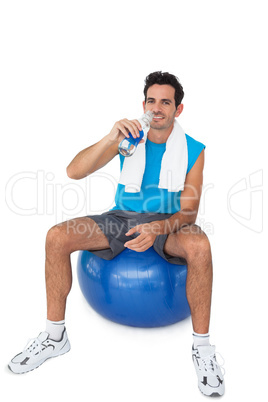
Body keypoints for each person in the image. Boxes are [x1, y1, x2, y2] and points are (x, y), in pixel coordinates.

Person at [8, 71, 225, 397]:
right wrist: (111, 137)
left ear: (178, 109)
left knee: (200, 244)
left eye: (165, 102)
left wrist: (157, 228)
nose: (157, 108)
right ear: (144, 104)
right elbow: (74, 171)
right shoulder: (129, 139)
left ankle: (203, 349)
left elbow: (189, 213)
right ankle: (55, 338)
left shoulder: (194, 149)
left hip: (168, 221)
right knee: (56, 236)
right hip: (120, 218)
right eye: (151, 100)